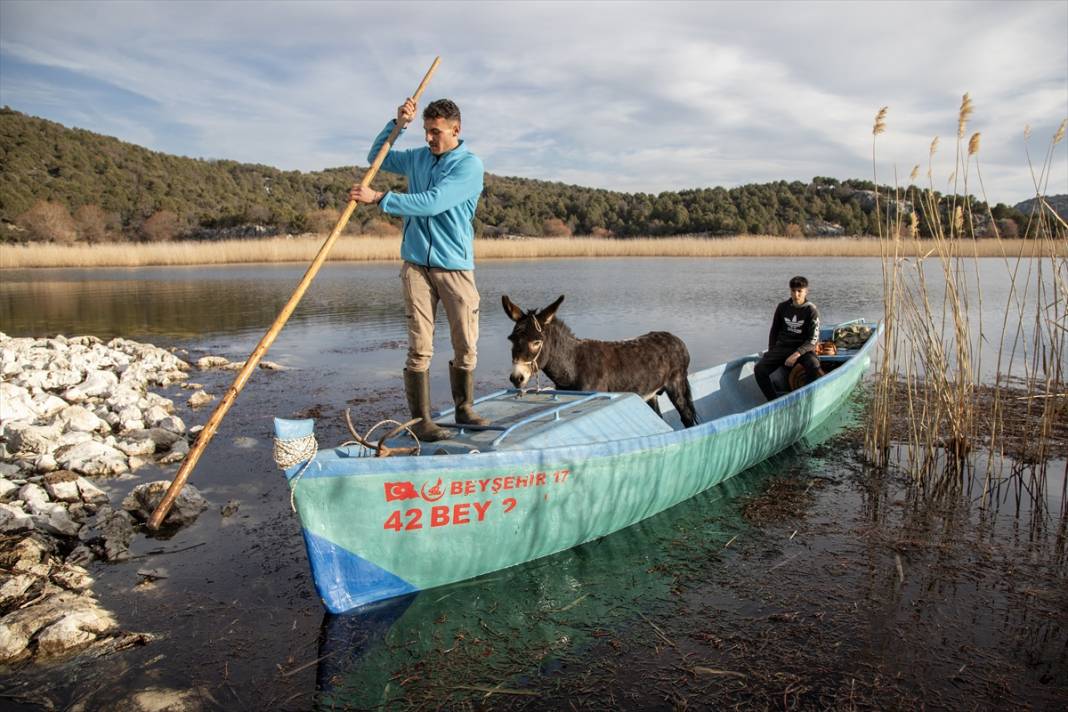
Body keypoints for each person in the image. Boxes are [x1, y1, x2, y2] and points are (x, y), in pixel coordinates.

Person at [349, 97, 487, 441]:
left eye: (435, 131)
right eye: (426, 131)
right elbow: (376, 156)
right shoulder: (417, 158)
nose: (429, 138)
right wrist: (398, 124)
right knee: (419, 347)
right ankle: (422, 421)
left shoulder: (469, 166)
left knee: (466, 343)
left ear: (456, 130)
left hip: (454, 267)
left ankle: (464, 408)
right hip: (415, 266)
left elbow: (433, 203)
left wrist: (381, 198)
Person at [753, 276, 822, 401]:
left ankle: (805, 397)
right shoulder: (782, 307)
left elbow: (813, 339)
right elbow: (774, 331)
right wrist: (771, 351)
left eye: (799, 291)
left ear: (806, 291)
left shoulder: (811, 310)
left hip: (803, 349)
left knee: (814, 365)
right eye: (793, 291)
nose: (796, 294)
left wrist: (796, 354)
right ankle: (773, 401)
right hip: (783, 347)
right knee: (759, 369)